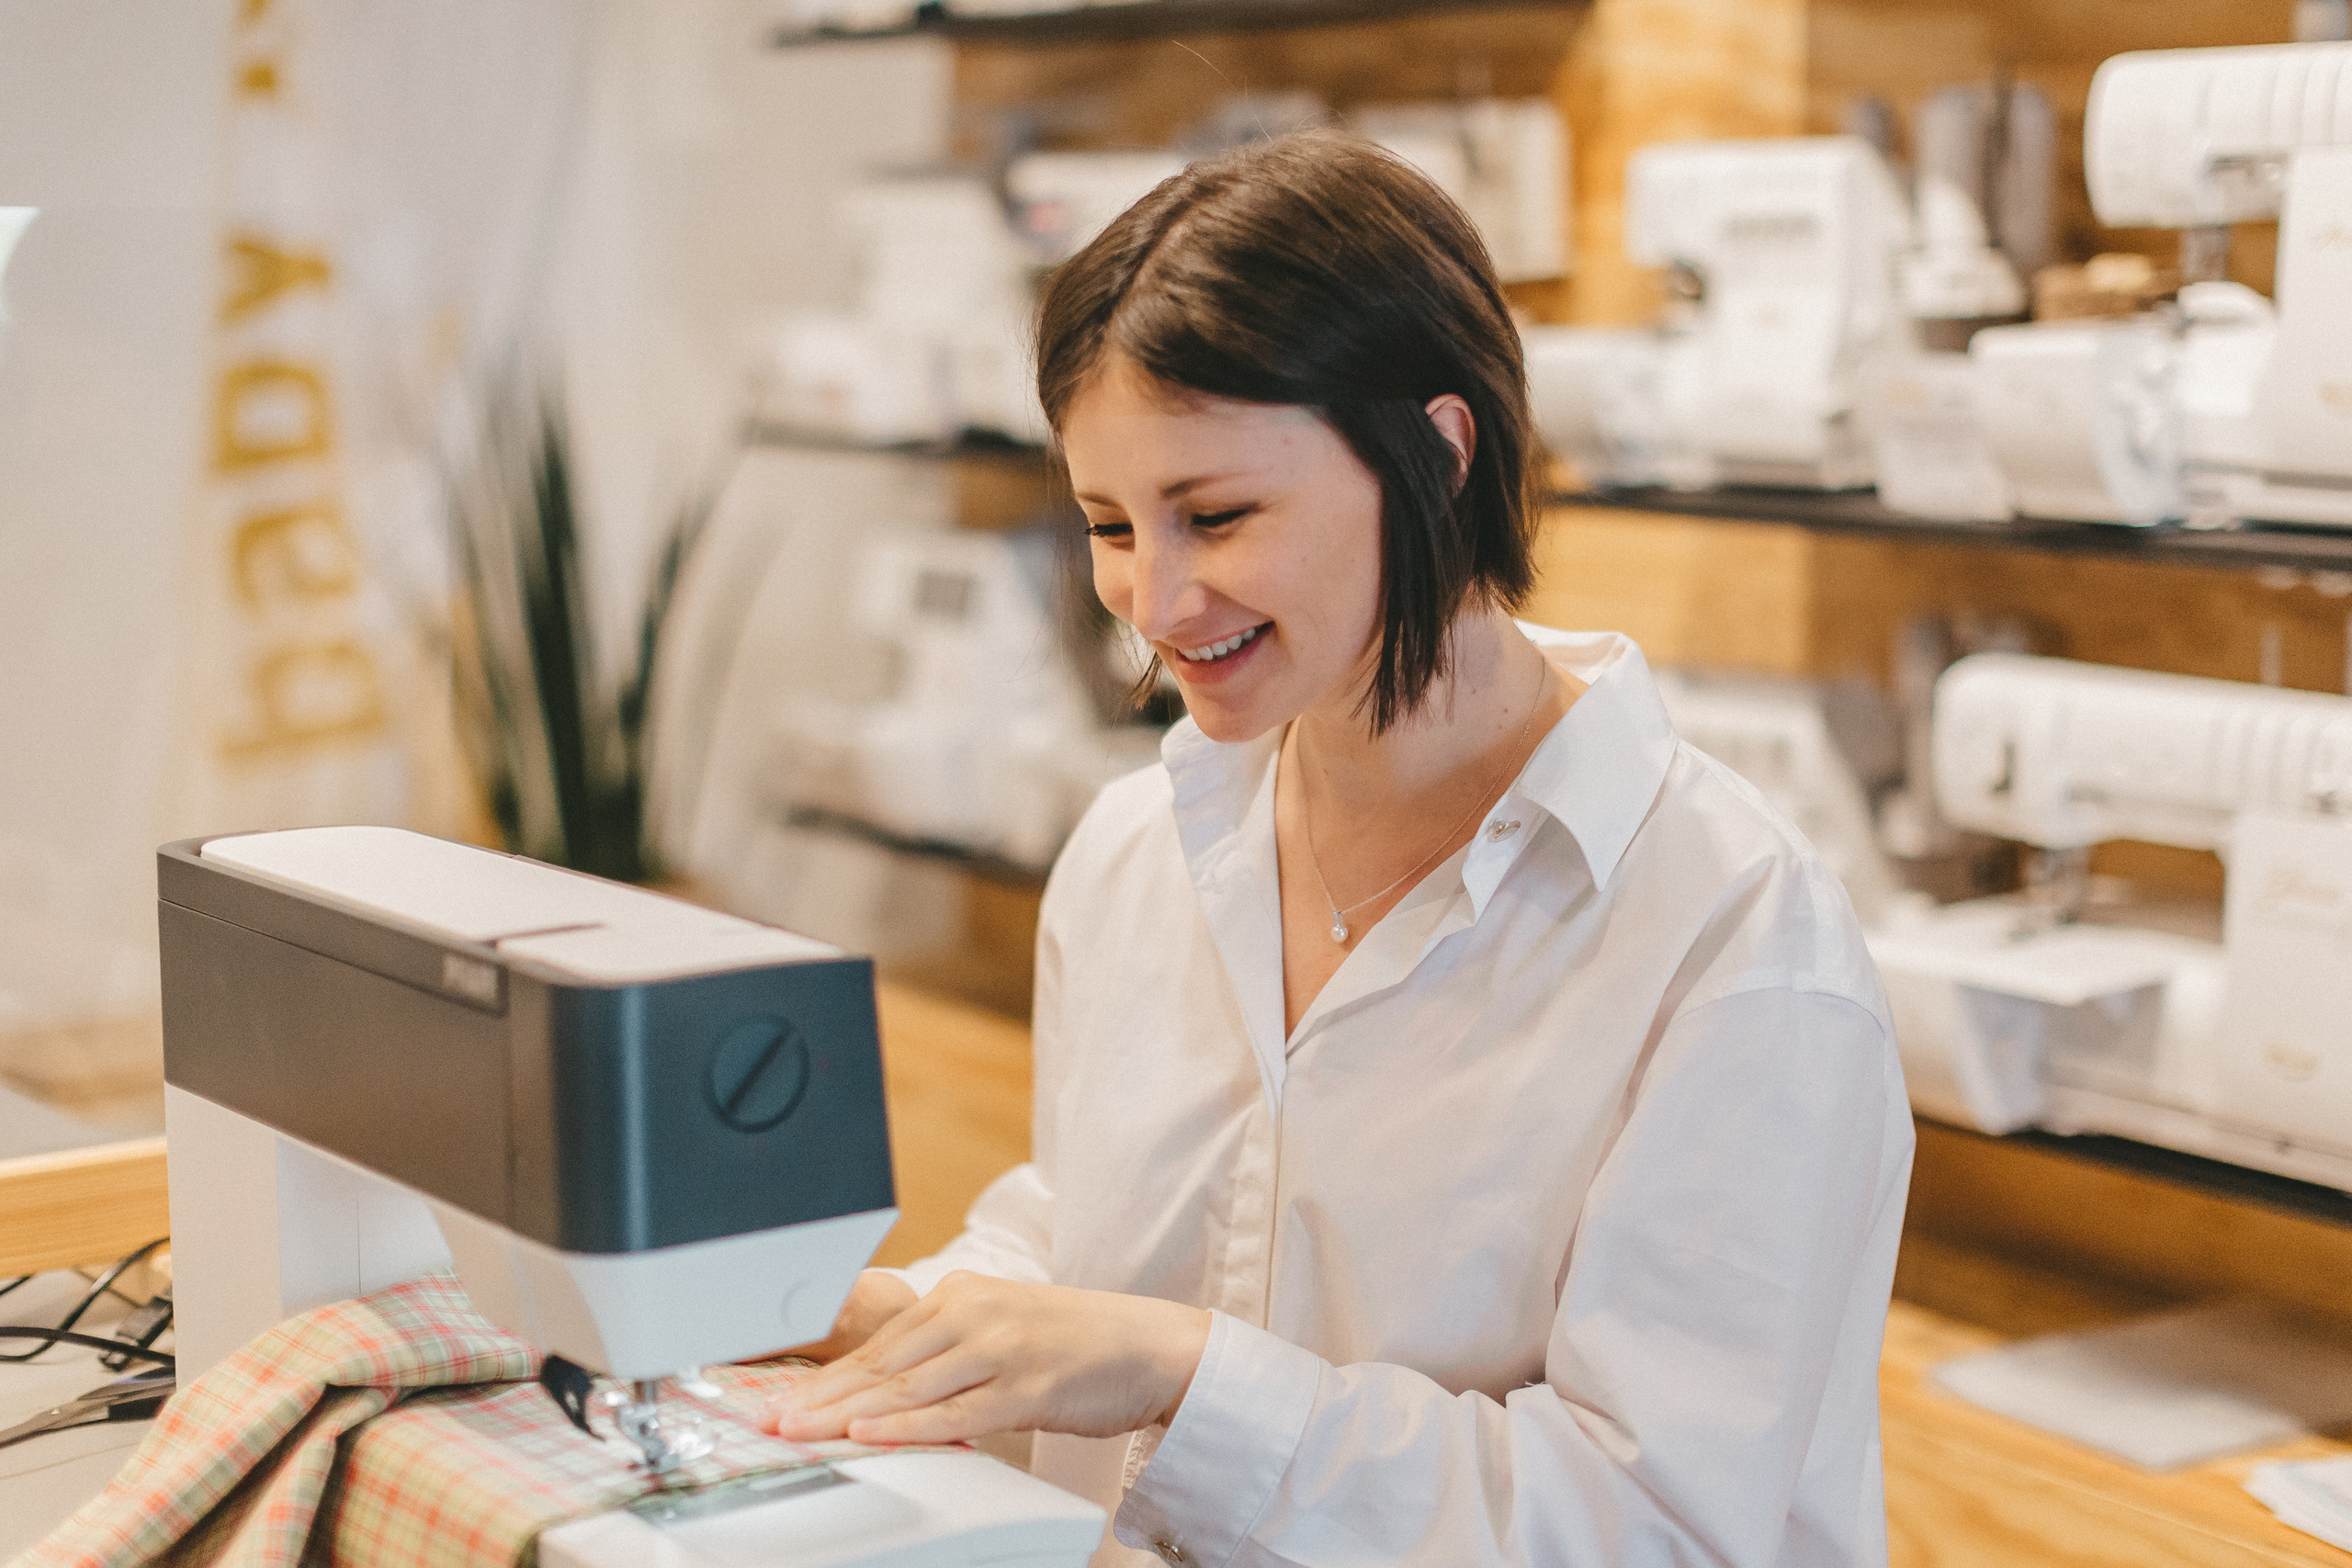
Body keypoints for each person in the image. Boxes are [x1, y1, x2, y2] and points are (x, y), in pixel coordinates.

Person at [759, 130, 1913, 1568]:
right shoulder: (1137, 852)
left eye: (1217, 515)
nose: (1155, 598)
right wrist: (907, 1324)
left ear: (1435, 453)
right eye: (1110, 525)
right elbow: (1094, 1239)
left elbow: (1652, 1526)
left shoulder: (1733, 943)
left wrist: (1180, 1377)